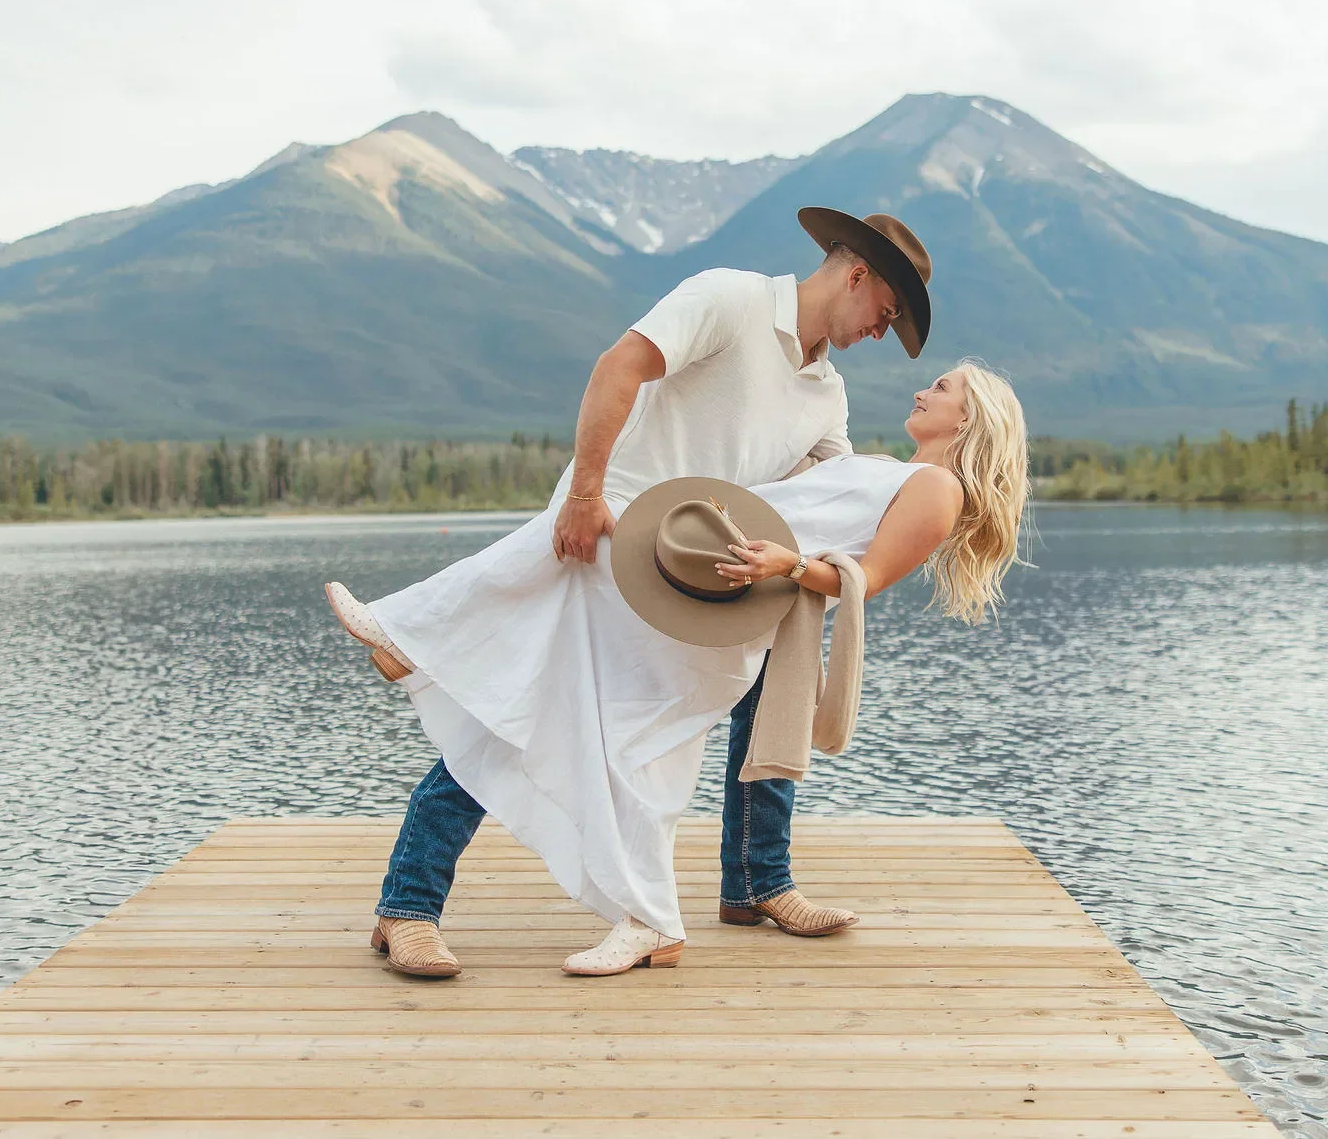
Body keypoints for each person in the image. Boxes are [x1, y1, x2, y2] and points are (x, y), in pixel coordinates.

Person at [329, 207, 935, 978]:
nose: (880, 334)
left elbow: (828, 496)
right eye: (885, 315)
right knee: (513, 712)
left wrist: (925, 491)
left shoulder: (827, 396)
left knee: (668, 713)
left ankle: (414, 645)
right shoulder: (731, 299)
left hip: (676, 581)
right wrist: (583, 494)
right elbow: (619, 366)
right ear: (856, 275)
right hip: (607, 531)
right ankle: (410, 905)